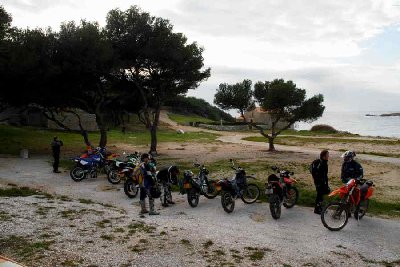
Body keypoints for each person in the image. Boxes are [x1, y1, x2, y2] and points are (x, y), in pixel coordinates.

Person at [310, 150, 330, 214]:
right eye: (327, 155)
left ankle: (319, 207)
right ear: (324, 156)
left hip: (317, 181)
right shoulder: (323, 163)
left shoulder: (319, 162)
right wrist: (324, 183)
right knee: (320, 195)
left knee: (320, 195)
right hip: (320, 182)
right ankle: (317, 209)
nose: (328, 156)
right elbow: (324, 174)